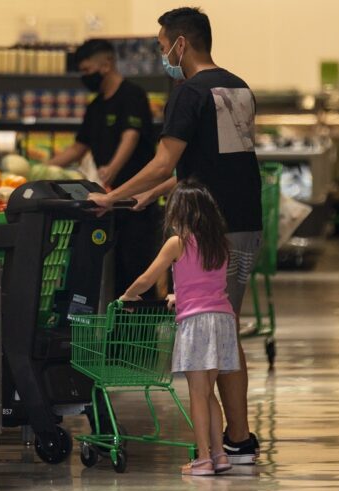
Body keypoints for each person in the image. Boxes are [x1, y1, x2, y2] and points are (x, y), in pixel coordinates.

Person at [88, 7, 261, 465]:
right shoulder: (237, 86)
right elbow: (207, 165)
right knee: (228, 326)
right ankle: (238, 438)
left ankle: (237, 442)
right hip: (244, 224)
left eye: (164, 42)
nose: (162, 51)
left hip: (210, 228)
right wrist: (153, 195)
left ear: (181, 43)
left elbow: (166, 161)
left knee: (214, 330)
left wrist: (113, 196)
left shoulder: (187, 93)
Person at [121, 180, 238, 475]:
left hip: (197, 324)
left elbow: (148, 279)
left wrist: (128, 294)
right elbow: (204, 282)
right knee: (208, 393)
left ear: (179, 212)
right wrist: (179, 294)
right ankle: (220, 455)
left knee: (197, 395)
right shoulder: (221, 243)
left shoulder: (178, 242)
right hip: (222, 320)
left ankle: (202, 459)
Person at [49, 39, 159, 299]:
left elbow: (130, 136)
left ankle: (137, 335)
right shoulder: (96, 106)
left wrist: (112, 168)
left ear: (106, 64)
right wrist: (43, 169)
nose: (85, 77)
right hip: (106, 201)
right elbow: (78, 147)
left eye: (88, 70)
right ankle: (114, 335)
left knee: (136, 268)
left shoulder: (132, 95)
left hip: (136, 201)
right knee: (111, 272)